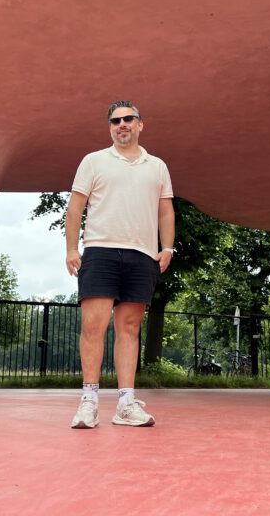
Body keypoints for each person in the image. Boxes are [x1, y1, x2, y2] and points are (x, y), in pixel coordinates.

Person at [65, 101, 175, 429]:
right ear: (110, 127)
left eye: (128, 119)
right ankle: (88, 401)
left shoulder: (157, 166)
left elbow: (165, 210)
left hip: (142, 255)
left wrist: (167, 247)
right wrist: (72, 248)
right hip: (100, 251)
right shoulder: (94, 161)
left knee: (129, 328)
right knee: (93, 327)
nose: (122, 124)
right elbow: (75, 207)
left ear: (141, 124)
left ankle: (126, 404)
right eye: (115, 121)